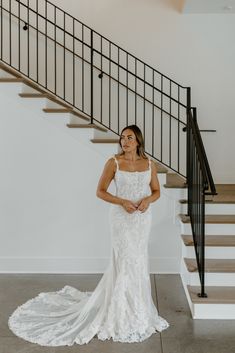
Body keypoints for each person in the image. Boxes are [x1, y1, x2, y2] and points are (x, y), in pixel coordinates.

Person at [8, 124, 169, 346]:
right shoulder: (113, 162)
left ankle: (138, 309)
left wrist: (147, 201)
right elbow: (100, 191)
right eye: (122, 137)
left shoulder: (149, 164)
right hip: (121, 220)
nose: (124, 141)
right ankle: (119, 312)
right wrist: (122, 201)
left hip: (142, 220)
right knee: (123, 261)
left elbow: (157, 191)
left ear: (138, 141)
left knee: (138, 261)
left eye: (129, 137)